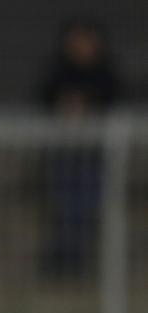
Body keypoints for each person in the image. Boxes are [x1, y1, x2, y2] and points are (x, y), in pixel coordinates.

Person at [38, 19, 119, 279]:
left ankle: (78, 261)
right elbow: (42, 97)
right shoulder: (57, 72)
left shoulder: (105, 74)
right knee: (64, 207)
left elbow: (114, 97)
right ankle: (64, 261)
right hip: (64, 153)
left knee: (86, 207)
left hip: (93, 155)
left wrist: (88, 103)